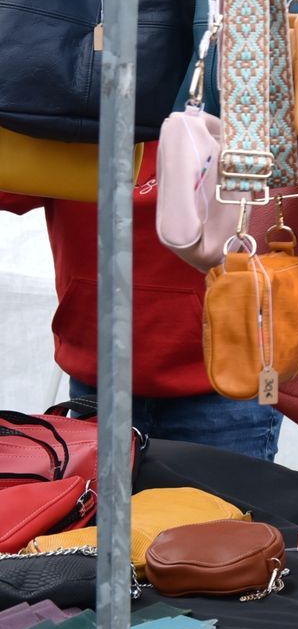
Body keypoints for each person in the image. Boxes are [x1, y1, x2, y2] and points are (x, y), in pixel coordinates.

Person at [0, 154, 283, 460]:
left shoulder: (247, 111)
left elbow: (296, 191)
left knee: (222, 508)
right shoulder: (66, 112)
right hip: (102, 380)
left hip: (227, 388)